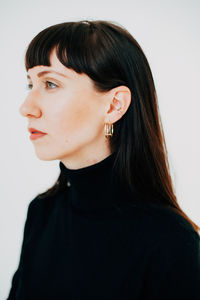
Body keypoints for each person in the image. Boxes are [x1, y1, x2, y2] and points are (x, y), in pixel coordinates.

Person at [7, 20, 200, 300]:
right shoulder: (42, 213)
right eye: (30, 84)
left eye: (50, 83)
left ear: (113, 106)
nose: (26, 108)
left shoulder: (171, 244)